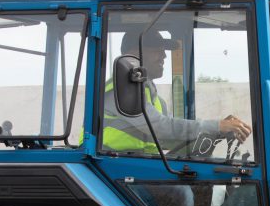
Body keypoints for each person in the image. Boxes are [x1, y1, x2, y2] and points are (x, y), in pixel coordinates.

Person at [102, 29, 251, 155]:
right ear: (134, 54)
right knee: (182, 190)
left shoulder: (156, 100)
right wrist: (217, 126)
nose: (164, 56)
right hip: (113, 167)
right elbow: (162, 127)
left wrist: (219, 130)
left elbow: (172, 135)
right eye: (156, 50)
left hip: (140, 165)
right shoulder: (119, 92)